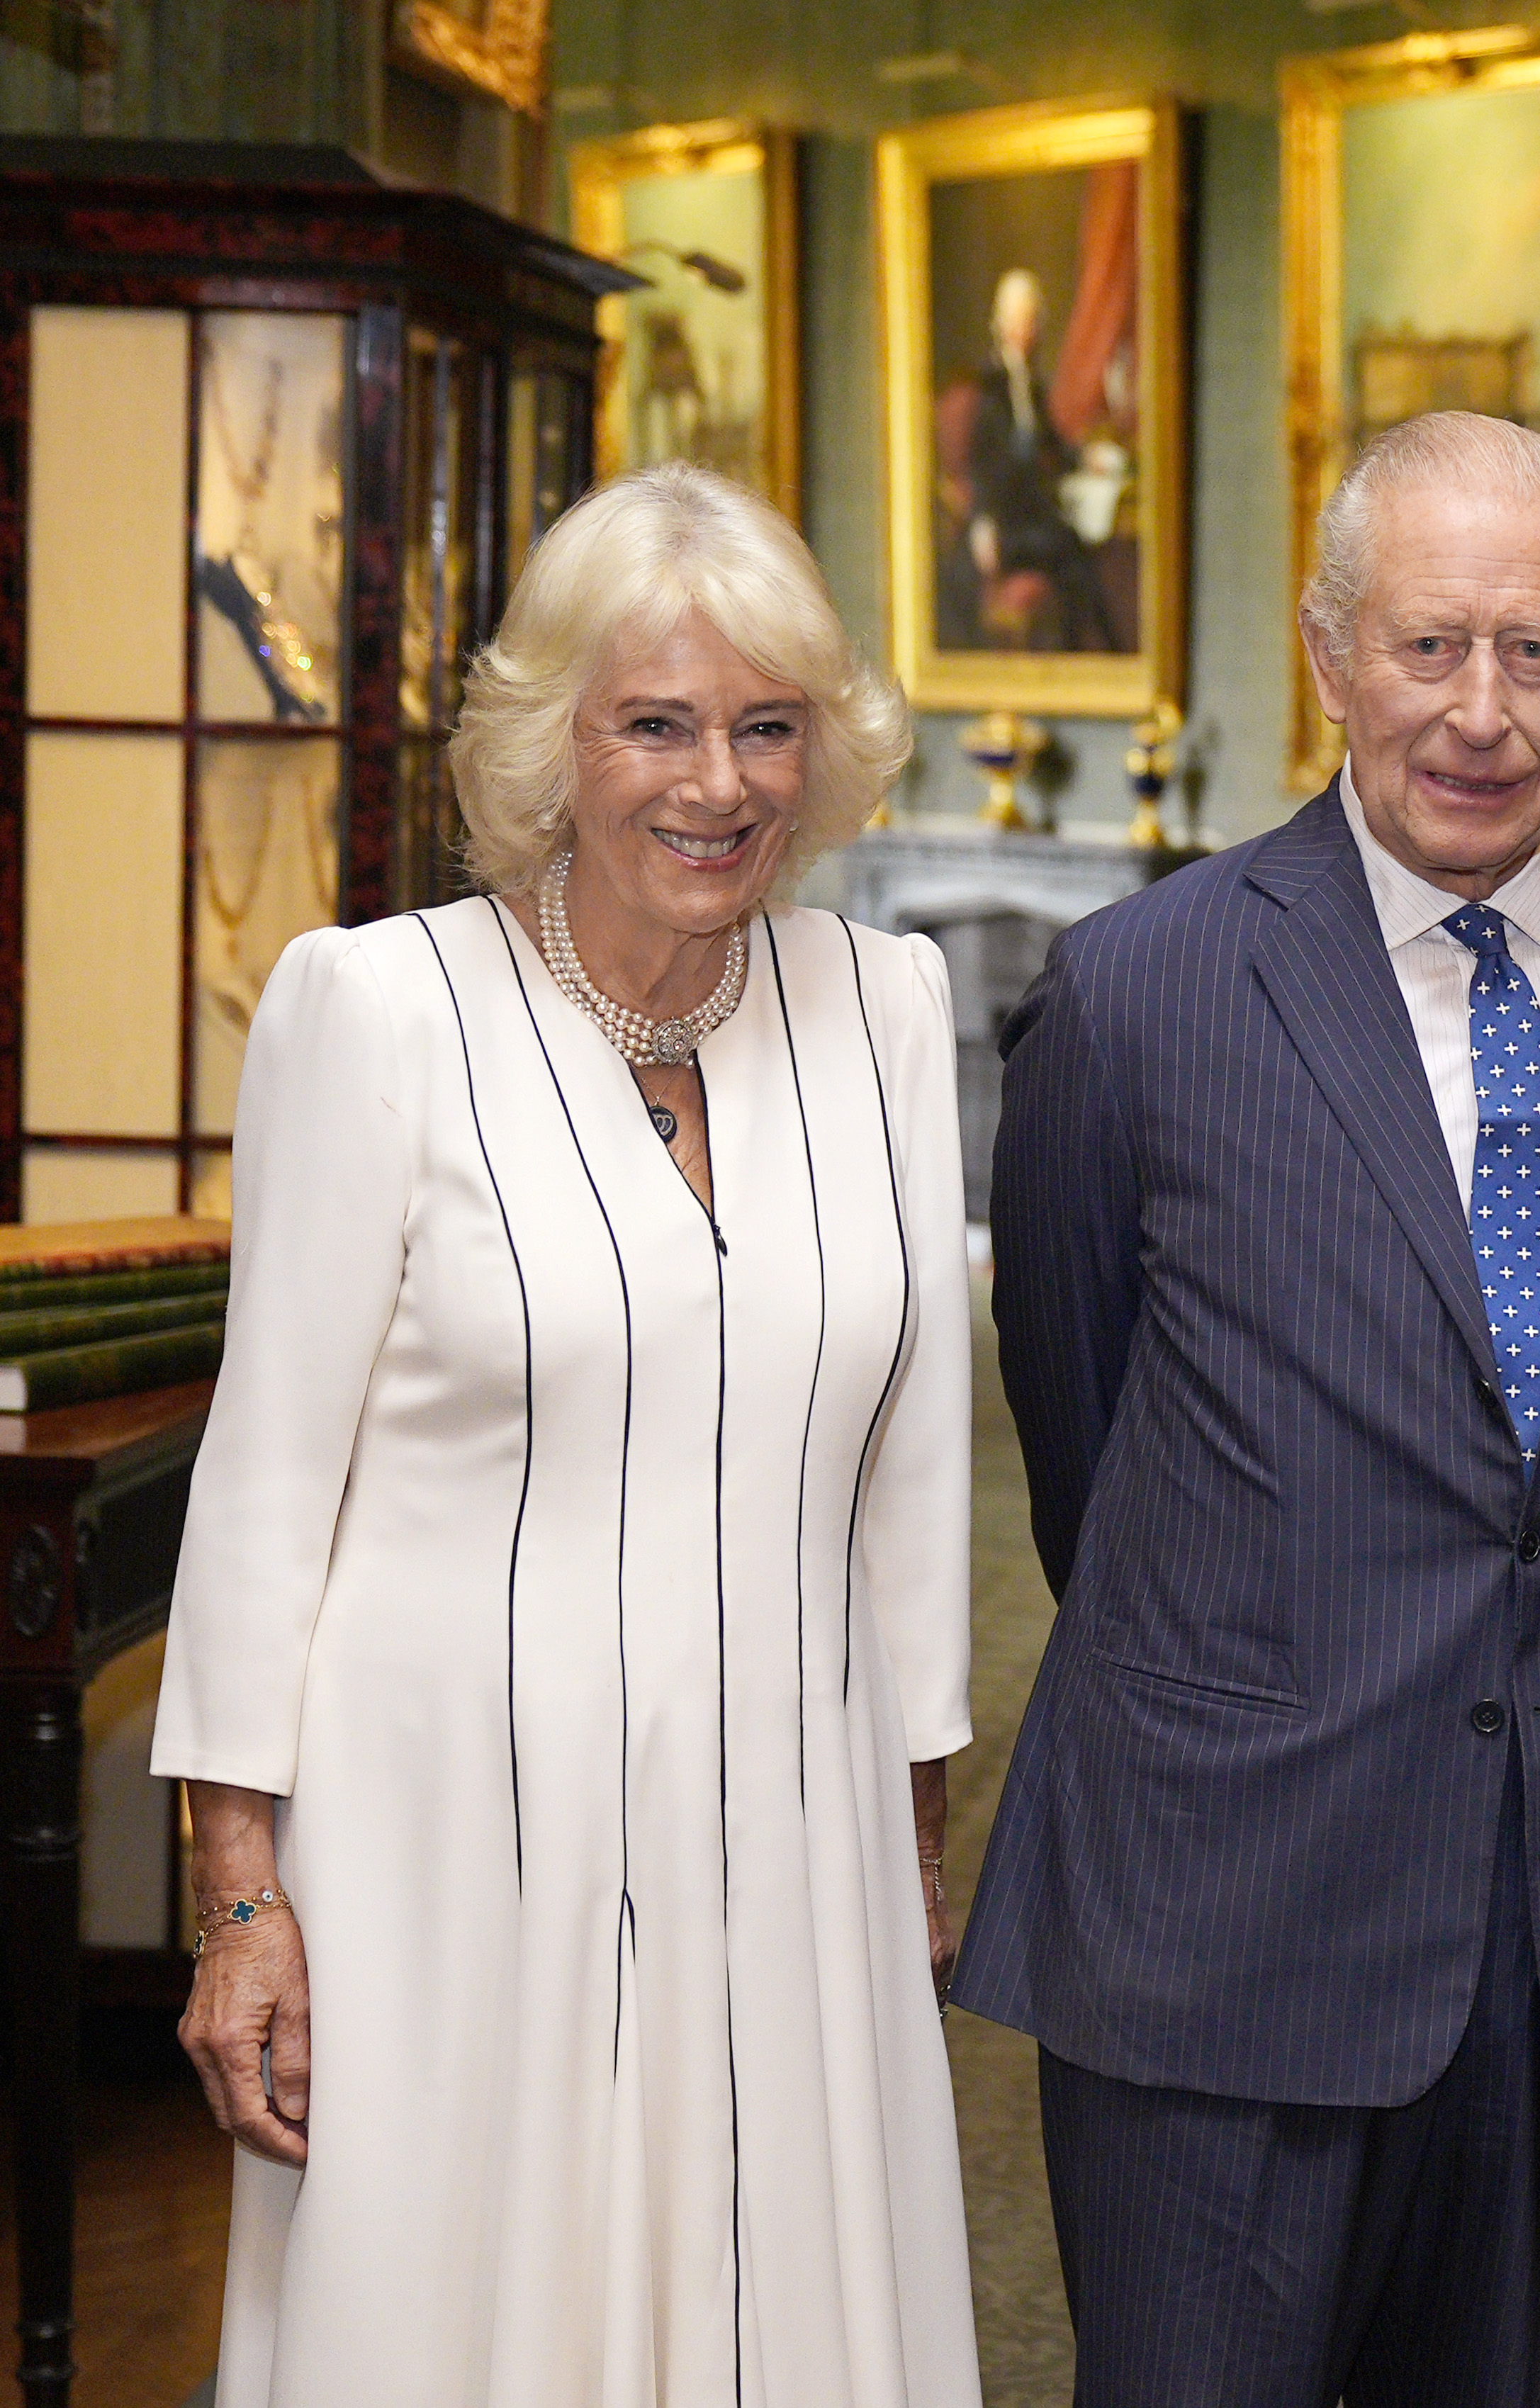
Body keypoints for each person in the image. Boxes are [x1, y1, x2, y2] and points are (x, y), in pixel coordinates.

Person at [954, 410, 1540, 2408]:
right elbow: (1082, 1436)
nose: (1482, 711)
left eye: (1534, 650)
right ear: (1330, 655)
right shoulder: (1135, 998)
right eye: (1429, 645)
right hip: (1221, 1907)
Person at [151, 461, 977, 2404]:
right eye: (657, 725)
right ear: (554, 743)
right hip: (451, 1855)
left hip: (794, 1842)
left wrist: (910, 1841)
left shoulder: (884, 1005)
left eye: (767, 727)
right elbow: (265, 1490)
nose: (719, 784)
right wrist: (240, 1898)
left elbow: (916, 1475)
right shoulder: (380, 1008)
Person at [962, 265, 1116, 651]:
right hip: (1004, 524)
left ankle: (1083, 651)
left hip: (1032, 515)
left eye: (1031, 320)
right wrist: (982, 521)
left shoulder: (1032, 384)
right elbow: (979, 462)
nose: (1026, 329)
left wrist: (1085, 459)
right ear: (1001, 324)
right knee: (1072, 551)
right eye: (1018, 320)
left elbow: (1052, 447)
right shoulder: (987, 385)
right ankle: (1098, 648)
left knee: (1078, 553)